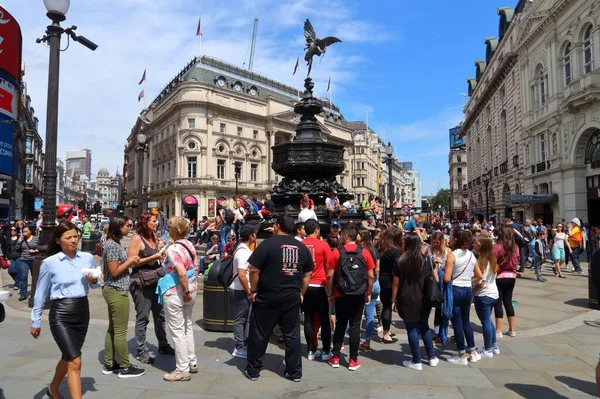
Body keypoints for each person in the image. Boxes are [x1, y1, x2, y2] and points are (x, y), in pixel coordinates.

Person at [30, 221, 100, 399]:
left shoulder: (87, 258)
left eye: (75, 236)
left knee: (69, 356)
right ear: (58, 240)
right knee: (75, 360)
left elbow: (95, 285)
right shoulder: (49, 263)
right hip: (60, 314)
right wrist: (35, 320)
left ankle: (53, 388)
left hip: (82, 311)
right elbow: (40, 293)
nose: (73, 240)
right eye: (68, 237)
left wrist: (94, 280)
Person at [245, 215, 314, 382]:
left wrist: (253, 290)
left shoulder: (267, 244)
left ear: (277, 226)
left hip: (267, 296)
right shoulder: (301, 247)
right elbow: (307, 275)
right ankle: (294, 372)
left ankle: (254, 370)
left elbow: (254, 270)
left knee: (260, 333)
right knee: (292, 335)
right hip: (291, 297)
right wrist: (301, 293)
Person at [326, 224, 375, 371]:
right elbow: (371, 276)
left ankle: (335, 356)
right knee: (355, 325)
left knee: (340, 323)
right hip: (359, 294)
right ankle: (353, 359)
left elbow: (329, 275)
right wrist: (368, 293)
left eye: (342, 235)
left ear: (346, 236)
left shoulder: (336, 253)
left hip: (341, 293)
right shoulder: (365, 253)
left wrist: (330, 293)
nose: (340, 237)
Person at [102, 216, 145, 378]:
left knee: (113, 328)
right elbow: (114, 271)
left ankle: (110, 363)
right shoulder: (112, 245)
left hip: (112, 289)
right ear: (119, 227)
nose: (130, 228)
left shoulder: (113, 244)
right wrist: (131, 260)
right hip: (116, 289)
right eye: (128, 225)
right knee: (120, 331)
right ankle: (125, 367)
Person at [127, 212, 174, 364]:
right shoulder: (136, 238)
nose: (156, 223)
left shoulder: (153, 237)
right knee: (143, 317)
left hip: (155, 281)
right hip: (141, 282)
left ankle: (163, 344)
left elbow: (155, 259)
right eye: (154, 221)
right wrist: (153, 257)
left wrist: (161, 255)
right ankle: (141, 350)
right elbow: (132, 262)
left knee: (160, 315)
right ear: (145, 222)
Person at [159, 217, 199, 382]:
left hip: (177, 291)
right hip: (192, 288)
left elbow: (181, 272)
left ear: (175, 230)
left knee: (177, 331)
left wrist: (185, 290)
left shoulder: (174, 249)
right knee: (187, 326)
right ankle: (191, 361)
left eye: (169, 227)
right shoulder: (188, 244)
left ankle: (182, 369)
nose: (168, 229)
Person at [392, 233, 439, 370]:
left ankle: (416, 360)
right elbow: (435, 279)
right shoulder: (426, 260)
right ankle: (431, 357)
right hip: (424, 297)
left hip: (406, 297)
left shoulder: (400, 260)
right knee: (424, 327)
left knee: (411, 328)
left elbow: (396, 283)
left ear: (406, 244)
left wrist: (393, 300)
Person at [444, 228, 483, 364]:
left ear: (456, 240)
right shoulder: (471, 255)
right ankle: (472, 351)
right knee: (466, 320)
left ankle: (461, 355)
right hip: (467, 290)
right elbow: (479, 276)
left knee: (457, 323)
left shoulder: (452, 255)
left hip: (455, 290)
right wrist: (468, 280)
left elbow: (447, 278)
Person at [301, 219, 332, 361]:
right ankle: (326, 351)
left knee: (308, 319)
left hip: (305, 287)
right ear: (316, 230)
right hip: (321, 286)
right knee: (325, 319)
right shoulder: (324, 245)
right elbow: (329, 267)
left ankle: (310, 350)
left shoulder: (300, 245)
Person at [229, 224, 257, 359]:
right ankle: (239, 347)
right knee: (240, 319)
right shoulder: (243, 253)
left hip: (241, 289)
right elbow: (241, 274)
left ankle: (244, 343)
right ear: (251, 235)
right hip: (240, 290)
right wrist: (249, 292)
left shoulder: (243, 250)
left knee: (246, 318)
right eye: (255, 233)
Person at [472, 236, 500, 359]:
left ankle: (487, 348)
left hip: (483, 295)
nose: (474, 244)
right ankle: (494, 345)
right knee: (488, 320)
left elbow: (481, 282)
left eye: (476, 243)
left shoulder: (482, 261)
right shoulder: (492, 258)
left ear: (482, 246)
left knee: (485, 321)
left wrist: (471, 291)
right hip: (493, 293)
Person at [376, 228, 403, 343]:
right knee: (388, 306)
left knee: (385, 305)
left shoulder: (381, 248)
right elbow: (397, 269)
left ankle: (386, 329)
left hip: (381, 278)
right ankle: (386, 334)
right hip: (390, 281)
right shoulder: (395, 251)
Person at [494, 226, 519, 338]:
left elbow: (493, 262)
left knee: (498, 302)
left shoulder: (497, 247)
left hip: (499, 276)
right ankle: (512, 329)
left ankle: (498, 330)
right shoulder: (515, 247)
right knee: (508, 301)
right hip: (512, 276)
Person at [357, 229, 380, 352]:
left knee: (354, 313)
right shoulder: (374, 250)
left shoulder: (360, 251)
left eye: (359, 234)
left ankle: (342, 340)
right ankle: (367, 342)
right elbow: (377, 269)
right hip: (375, 282)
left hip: (364, 283)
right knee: (370, 314)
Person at [15, 226, 39, 301]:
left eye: (26, 231)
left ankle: (36, 293)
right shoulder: (22, 239)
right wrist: (19, 240)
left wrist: (35, 251)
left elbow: (41, 248)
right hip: (24, 259)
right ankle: (23, 294)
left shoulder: (36, 238)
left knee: (35, 277)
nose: (25, 233)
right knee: (23, 277)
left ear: (30, 231)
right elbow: (16, 248)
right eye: (24, 231)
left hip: (33, 260)